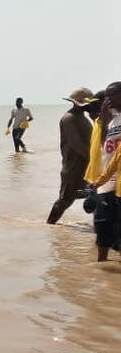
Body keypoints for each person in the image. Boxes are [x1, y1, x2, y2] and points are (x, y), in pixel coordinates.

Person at [47, 89, 95, 224]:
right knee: (65, 200)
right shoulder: (69, 118)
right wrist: (92, 159)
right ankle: (50, 225)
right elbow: (75, 144)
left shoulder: (84, 118)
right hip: (73, 167)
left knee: (96, 196)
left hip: (86, 165)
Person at [88, 82, 121, 261]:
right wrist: (105, 124)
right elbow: (104, 147)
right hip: (107, 181)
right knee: (102, 226)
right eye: (106, 96)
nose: (108, 99)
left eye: (112, 94)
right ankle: (101, 266)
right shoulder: (111, 120)